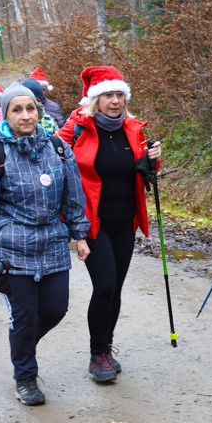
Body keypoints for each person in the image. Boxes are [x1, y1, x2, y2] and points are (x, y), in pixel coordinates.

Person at [0, 82, 90, 406]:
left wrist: (79, 234)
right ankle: (26, 378)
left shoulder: (59, 149)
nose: (25, 115)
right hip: (11, 252)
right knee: (25, 316)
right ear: (6, 114)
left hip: (53, 245)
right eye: (16, 109)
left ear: (39, 110)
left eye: (30, 108)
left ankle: (22, 347)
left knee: (55, 309)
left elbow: (74, 198)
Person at [57, 66, 160, 383]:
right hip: (91, 223)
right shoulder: (77, 129)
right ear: (95, 99)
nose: (114, 101)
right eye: (108, 95)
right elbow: (52, 156)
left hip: (125, 221)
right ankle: (97, 352)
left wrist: (151, 161)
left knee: (115, 287)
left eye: (119, 95)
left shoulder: (134, 129)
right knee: (103, 285)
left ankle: (107, 345)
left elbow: (143, 175)